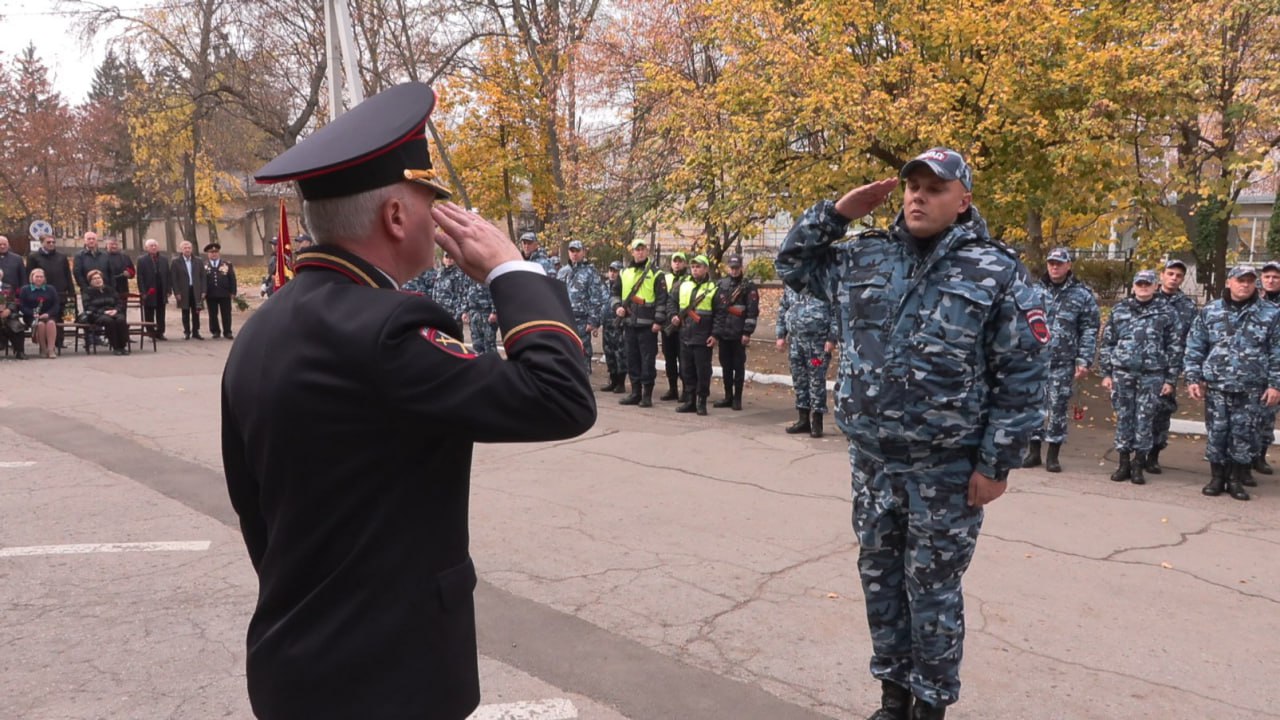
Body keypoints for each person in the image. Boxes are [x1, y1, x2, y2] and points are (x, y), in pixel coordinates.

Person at [224, 81, 595, 720]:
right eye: (432, 201)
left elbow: (257, 511)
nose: (441, 216)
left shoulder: (265, 327)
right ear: (396, 216)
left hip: (296, 660)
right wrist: (511, 270)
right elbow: (561, 396)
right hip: (385, 679)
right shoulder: (388, 330)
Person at [776, 147, 1048, 720]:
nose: (918, 196)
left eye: (935, 188)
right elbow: (793, 266)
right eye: (912, 186)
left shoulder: (994, 270)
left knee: (933, 591)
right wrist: (836, 213)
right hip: (873, 462)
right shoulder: (864, 255)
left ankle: (930, 704)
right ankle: (892, 698)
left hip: (945, 468)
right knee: (880, 581)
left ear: (963, 200)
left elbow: (1022, 374)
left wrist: (996, 464)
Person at [1183, 265, 1280, 501]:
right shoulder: (1211, 310)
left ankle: (1236, 479)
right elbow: (1196, 345)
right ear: (1229, 282)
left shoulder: (1271, 313)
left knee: (1244, 434)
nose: (1245, 285)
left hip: (1252, 387)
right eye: (1240, 280)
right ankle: (1217, 478)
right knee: (1217, 432)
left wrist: (1275, 384)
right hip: (1217, 386)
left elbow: (1277, 351)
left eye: (1249, 281)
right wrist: (1193, 377)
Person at [1098, 270, 1183, 485]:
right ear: (1134, 286)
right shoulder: (1120, 309)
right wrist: (1106, 373)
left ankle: (1138, 465)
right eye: (1140, 284)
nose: (1143, 287)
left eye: (1147, 284)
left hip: (1152, 375)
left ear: (1155, 286)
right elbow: (1108, 343)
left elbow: (1174, 347)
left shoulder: (1167, 312)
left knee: (1145, 420)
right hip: (1123, 373)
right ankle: (1123, 463)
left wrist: (1170, 380)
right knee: (1124, 417)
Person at [1022, 246, 1099, 472]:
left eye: (1059, 263)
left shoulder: (1082, 295)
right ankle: (1033, 452)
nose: (1054, 267)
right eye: (1051, 263)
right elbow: (1021, 321)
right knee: (1033, 406)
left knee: (1057, 408)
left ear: (1068, 266)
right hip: (1035, 360)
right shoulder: (1033, 291)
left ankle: (1053, 455)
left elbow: (1089, 329)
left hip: (1063, 361)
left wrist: (1084, 359)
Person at [1147, 259, 1197, 474]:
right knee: (1140, 411)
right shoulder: (1148, 298)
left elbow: (1193, 338)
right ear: (1162, 275)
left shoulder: (1188, 306)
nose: (1174, 278)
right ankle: (1136, 453)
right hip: (1146, 365)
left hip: (1170, 368)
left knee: (1162, 413)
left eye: (1178, 275)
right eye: (1170, 273)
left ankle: (1153, 455)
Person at [775, 283, 838, 438]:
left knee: (816, 380)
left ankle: (817, 421)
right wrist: (780, 335)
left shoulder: (824, 285)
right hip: (796, 343)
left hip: (817, 345)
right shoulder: (792, 285)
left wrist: (832, 338)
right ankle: (803, 419)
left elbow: (836, 313)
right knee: (799, 380)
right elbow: (783, 309)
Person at [611, 238, 668, 407]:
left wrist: (658, 321)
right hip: (629, 323)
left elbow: (662, 299)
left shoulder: (656, 273)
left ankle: (647, 395)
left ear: (647, 251)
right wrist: (617, 308)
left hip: (648, 325)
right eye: (637, 249)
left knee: (647, 360)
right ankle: (635, 392)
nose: (640, 252)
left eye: (643, 249)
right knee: (632, 359)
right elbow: (615, 293)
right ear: (633, 252)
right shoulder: (624, 273)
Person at [670, 254, 723, 415]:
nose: (695, 270)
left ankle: (701, 401)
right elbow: (671, 301)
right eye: (693, 267)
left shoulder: (713, 288)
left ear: (706, 269)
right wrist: (673, 315)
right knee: (687, 370)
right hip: (685, 334)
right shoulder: (682, 284)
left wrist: (715, 335)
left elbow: (720, 314)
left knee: (703, 371)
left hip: (703, 337)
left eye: (698, 267)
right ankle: (690, 400)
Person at [712, 254, 759, 410]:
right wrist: (716, 332)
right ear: (728, 268)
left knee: (738, 367)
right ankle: (728, 396)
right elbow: (717, 308)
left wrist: (747, 332)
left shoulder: (749, 286)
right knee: (725, 366)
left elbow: (752, 312)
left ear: (741, 267)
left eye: (737, 268)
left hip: (739, 334)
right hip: (724, 332)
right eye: (732, 268)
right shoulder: (721, 284)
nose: (734, 271)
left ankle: (737, 399)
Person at [557, 239, 608, 372]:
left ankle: (584, 377)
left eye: (577, 251)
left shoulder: (590, 272)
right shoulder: (563, 272)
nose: (574, 254)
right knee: (565, 352)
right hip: (565, 319)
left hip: (582, 320)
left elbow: (596, 298)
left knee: (582, 352)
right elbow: (557, 294)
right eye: (572, 251)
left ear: (583, 252)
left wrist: (593, 321)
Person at [1254, 259, 1280, 474]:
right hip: (1253, 367)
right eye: (1267, 277)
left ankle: (1260, 455)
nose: (1271, 280)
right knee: (1248, 415)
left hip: (1275, 368)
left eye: (1276, 277)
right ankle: (1244, 457)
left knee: (1267, 415)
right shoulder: (1253, 302)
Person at [27, 234, 74, 351]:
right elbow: (29, 274)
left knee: (59, 316)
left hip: (60, 291)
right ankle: (46, 343)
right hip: (42, 292)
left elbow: (67, 275)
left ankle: (59, 341)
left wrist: (71, 291)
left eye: (53, 242)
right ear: (42, 243)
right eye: (48, 242)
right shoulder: (34, 257)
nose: (51, 244)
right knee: (46, 318)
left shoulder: (61, 257)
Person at [658, 251, 691, 401]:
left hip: (683, 326)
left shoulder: (689, 280)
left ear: (684, 263)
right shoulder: (664, 278)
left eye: (680, 261)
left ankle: (686, 390)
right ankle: (672, 389)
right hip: (668, 325)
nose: (677, 264)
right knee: (669, 359)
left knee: (684, 359)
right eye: (675, 261)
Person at [82, 269, 130, 355]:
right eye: (94, 279)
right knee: (109, 321)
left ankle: (122, 346)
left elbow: (119, 302)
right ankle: (116, 347)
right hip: (97, 315)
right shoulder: (87, 292)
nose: (97, 280)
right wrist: (104, 312)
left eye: (99, 278)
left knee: (121, 320)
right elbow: (88, 306)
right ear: (90, 281)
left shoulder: (110, 289)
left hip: (113, 312)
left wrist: (116, 310)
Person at [18, 268, 61, 359]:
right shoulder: (25, 289)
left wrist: (48, 314)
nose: (39, 279)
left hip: (49, 315)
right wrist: (32, 313)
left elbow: (56, 305)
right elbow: (22, 306)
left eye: (41, 277)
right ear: (32, 278)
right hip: (32, 316)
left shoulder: (51, 289)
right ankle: (43, 349)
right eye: (37, 277)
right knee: (40, 324)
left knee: (50, 323)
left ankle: (51, 349)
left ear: (44, 278)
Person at [599, 260, 628, 392]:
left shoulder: (624, 286)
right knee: (608, 353)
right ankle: (613, 380)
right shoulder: (604, 285)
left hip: (619, 325)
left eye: (615, 271)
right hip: (607, 324)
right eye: (611, 270)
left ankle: (620, 383)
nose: (612, 273)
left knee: (620, 354)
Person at [171, 241, 207, 339]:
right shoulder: (176, 262)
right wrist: (177, 292)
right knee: (185, 312)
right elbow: (174, 279)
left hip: (196, 290)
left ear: (192, 249)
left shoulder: (198, 261)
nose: (187, 250)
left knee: (196, 311)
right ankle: (187, 332)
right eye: (185, 248)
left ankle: (196, 331)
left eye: (189, 248)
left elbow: (203, 277)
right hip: (183, 291)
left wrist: (204, 290)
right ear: (181, 249)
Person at [136, 238, 171, 340]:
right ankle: (151, 333)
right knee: (149, 312)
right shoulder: (142, 260)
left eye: (155, 245)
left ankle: (160, 332)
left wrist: (168, 289)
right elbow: (140, 277)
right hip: (149, 290)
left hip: (161, 289)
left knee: (161, 313)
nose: (154, 247)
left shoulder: (164, 259)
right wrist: (143, 292)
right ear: (146, 248)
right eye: (151, 246)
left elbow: (168, 275)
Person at [204, 243, 237, 339]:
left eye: (216, 252)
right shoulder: (204, 265)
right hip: (210, 294)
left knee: (226, 313)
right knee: (212, 314)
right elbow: (202, 280)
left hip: (224, 293)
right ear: (208, 254)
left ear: (219, 253)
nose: (214, 254)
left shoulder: (227, 264)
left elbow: (232, 279)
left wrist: (233, 292)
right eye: (211, 252)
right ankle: (215, 331)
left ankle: (227, 331)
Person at [461, 275, 499, 354]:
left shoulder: (487, 273)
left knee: (489, 344)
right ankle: (481, 361)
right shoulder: (469, 274)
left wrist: (494, 312)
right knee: (477, 344)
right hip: (473, 313)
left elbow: (496, 291)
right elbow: (465, 292)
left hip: (487, 313)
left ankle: (491, 362)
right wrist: (465, 311)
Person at [432, 251, 468, 327]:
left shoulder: (459, 274)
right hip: (440, 313)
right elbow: (435, 291)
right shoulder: (440, 273)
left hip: (454, 314)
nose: (449, 259)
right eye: (447, 257)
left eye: (451, 258)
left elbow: (463, 294)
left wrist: (460, 312)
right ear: (443, 259)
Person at [0, 267, 26, 359]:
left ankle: (19, 351)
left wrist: (9, 310)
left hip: (8, 315)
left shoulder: (8, 287)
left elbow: (13, 301)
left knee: (17, 327)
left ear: (1, 276)